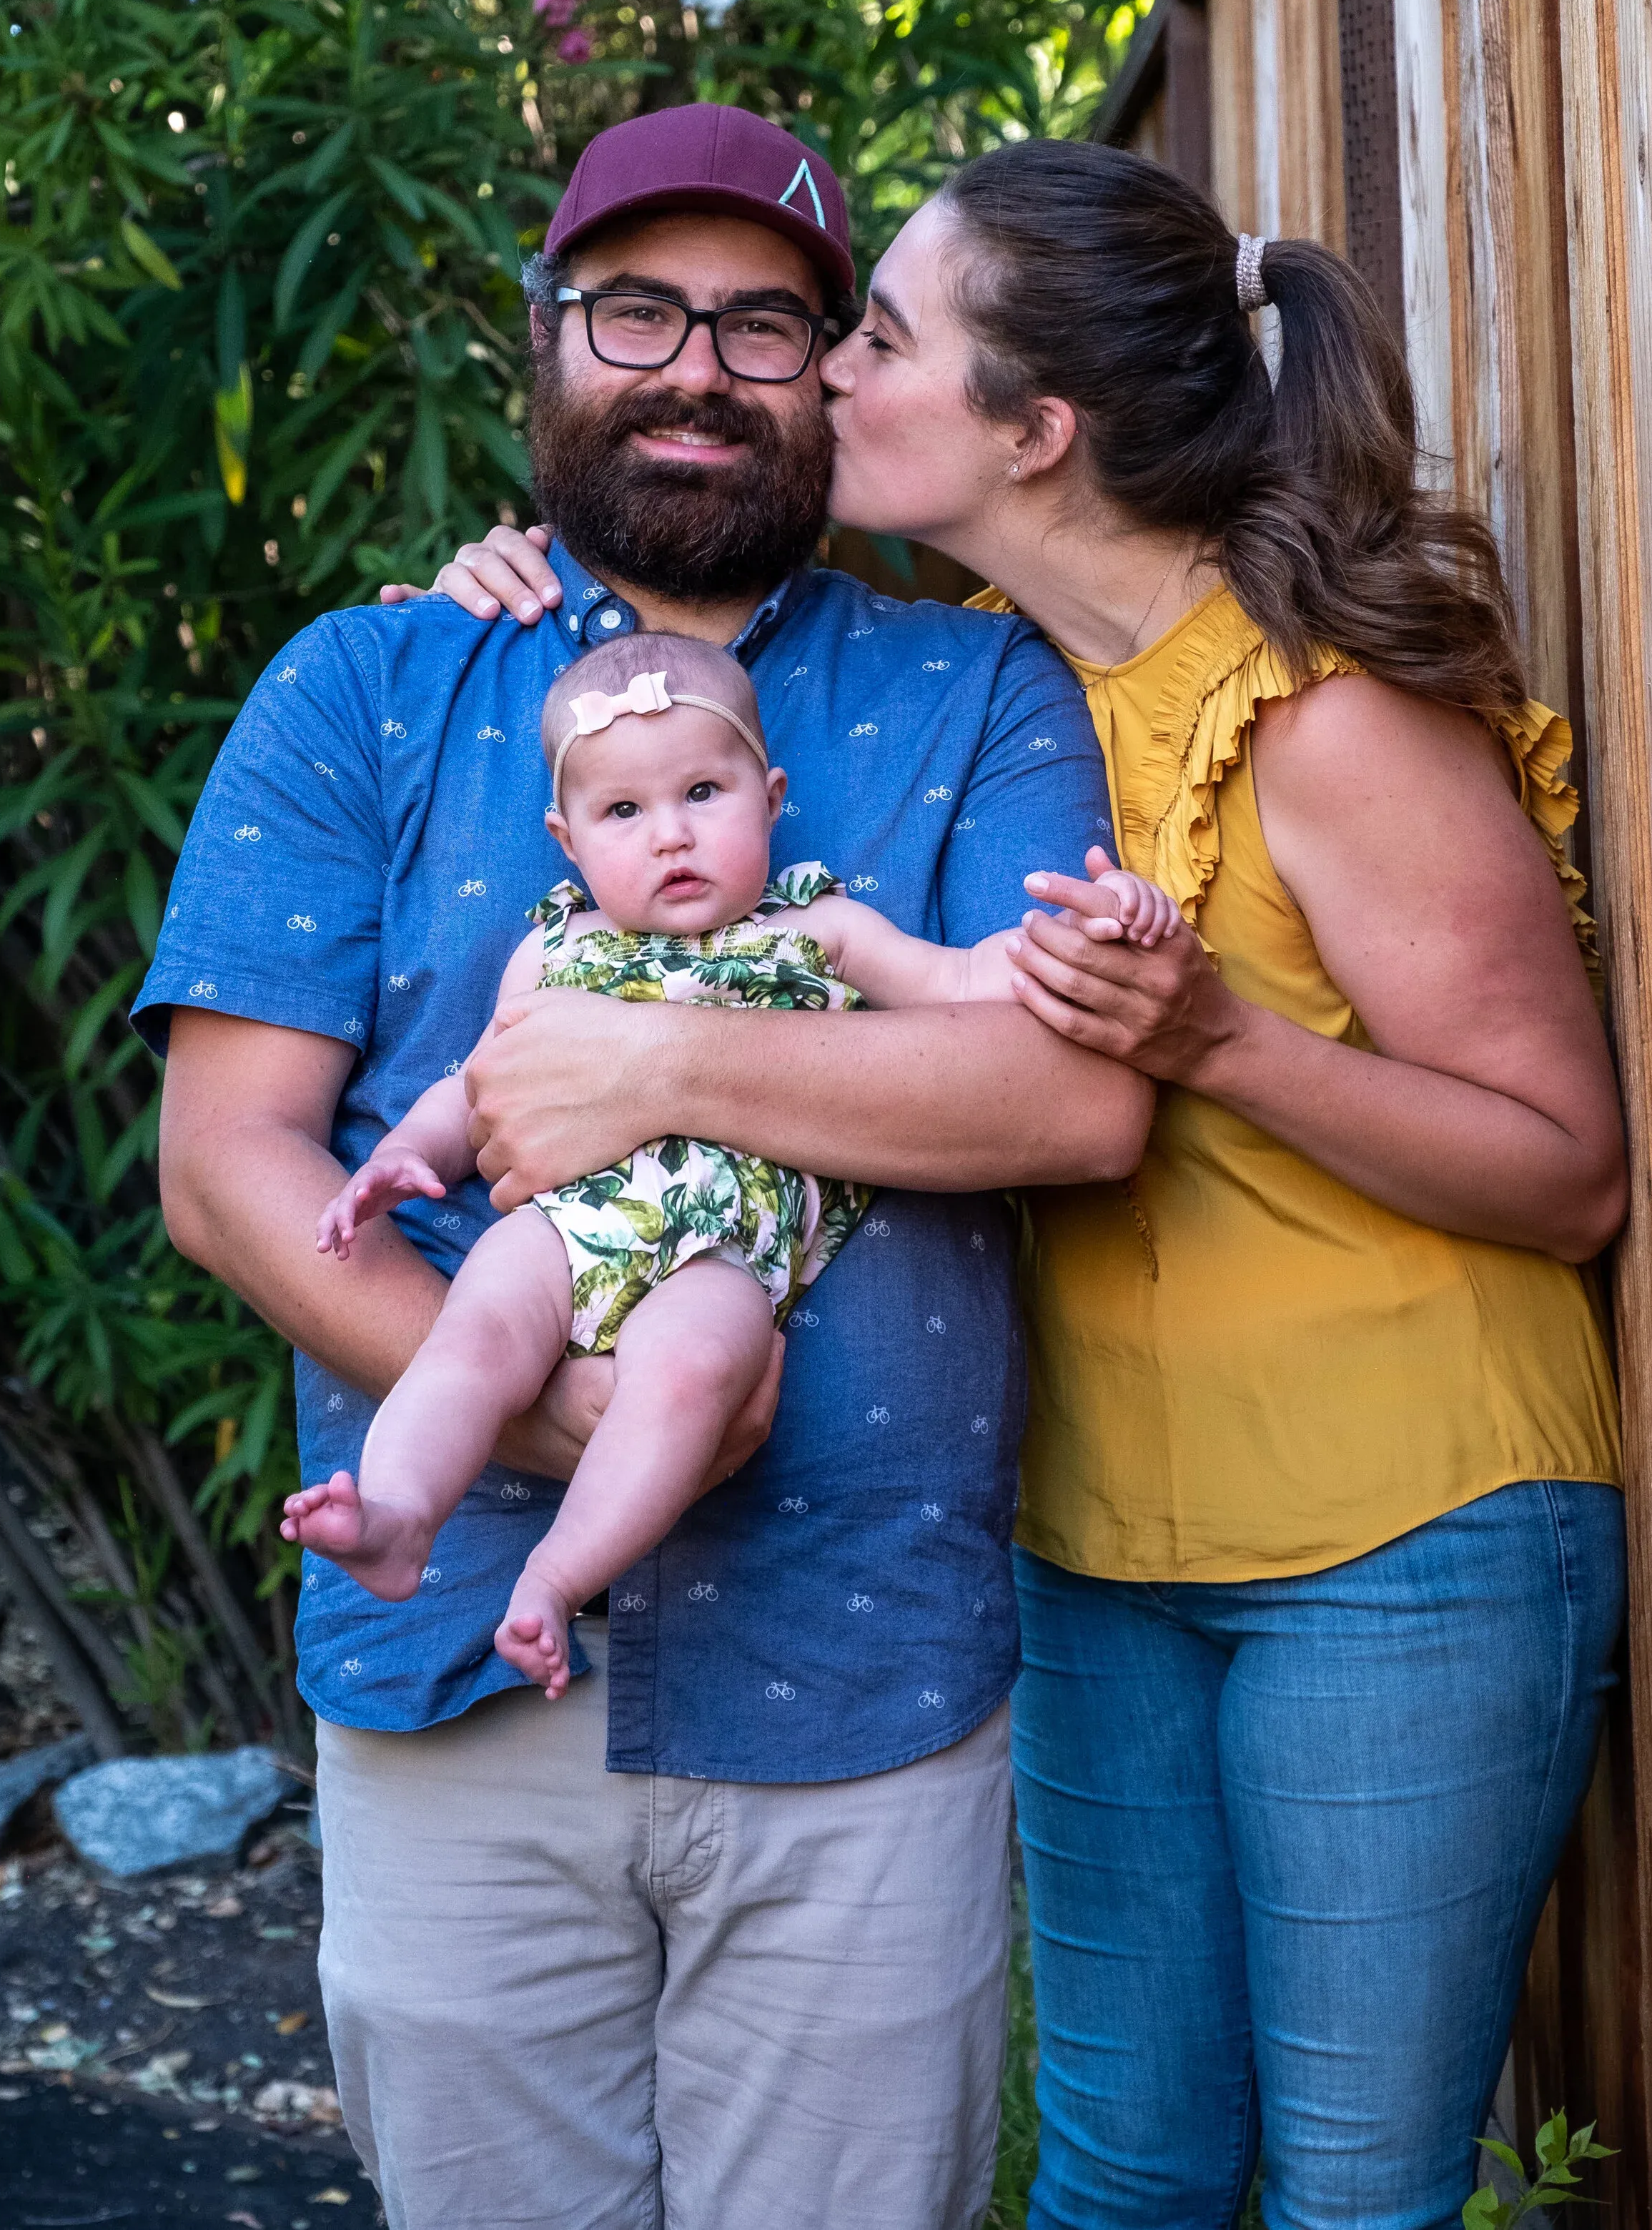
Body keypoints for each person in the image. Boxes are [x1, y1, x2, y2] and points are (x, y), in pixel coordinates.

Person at [430, 139, 1628, 2230]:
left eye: (875, 338)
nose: (827, 376)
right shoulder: (987, 695)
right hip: (1090, 1539)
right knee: (1112, 2175)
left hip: (1403, 1528)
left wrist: (1221, 1046)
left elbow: (1568, 1169)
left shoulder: (1321, 714)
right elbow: (673, 733)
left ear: (1032, 424)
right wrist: (502, 590)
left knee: (1355, 2193)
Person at [140, 102, 1156, 2230]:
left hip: (861, 1673)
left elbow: (1065, 1099)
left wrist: (654, 1058)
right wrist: (553, 1402)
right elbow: (231, 1162)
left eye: (764, 324)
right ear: (546, 339)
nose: (692, 363)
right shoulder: (372, 681)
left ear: (834, 376)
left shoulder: (969, 685)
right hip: (450, 1704)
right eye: (634, 308)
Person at [284, 627, 1179, 1698]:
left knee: (697, 1368)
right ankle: (395, 1515)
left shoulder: (821, 929)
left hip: (724, 1247)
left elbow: (971, 979)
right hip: (568, 1224)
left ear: (770, 793)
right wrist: (399, 1159)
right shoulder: (554, 948)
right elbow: (475, 1083)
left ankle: (557, 1577)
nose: (671, 836)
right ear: (567, 841)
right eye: (625, 812)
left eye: (704, 791)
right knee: (473, 1331)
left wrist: (1109, 927)